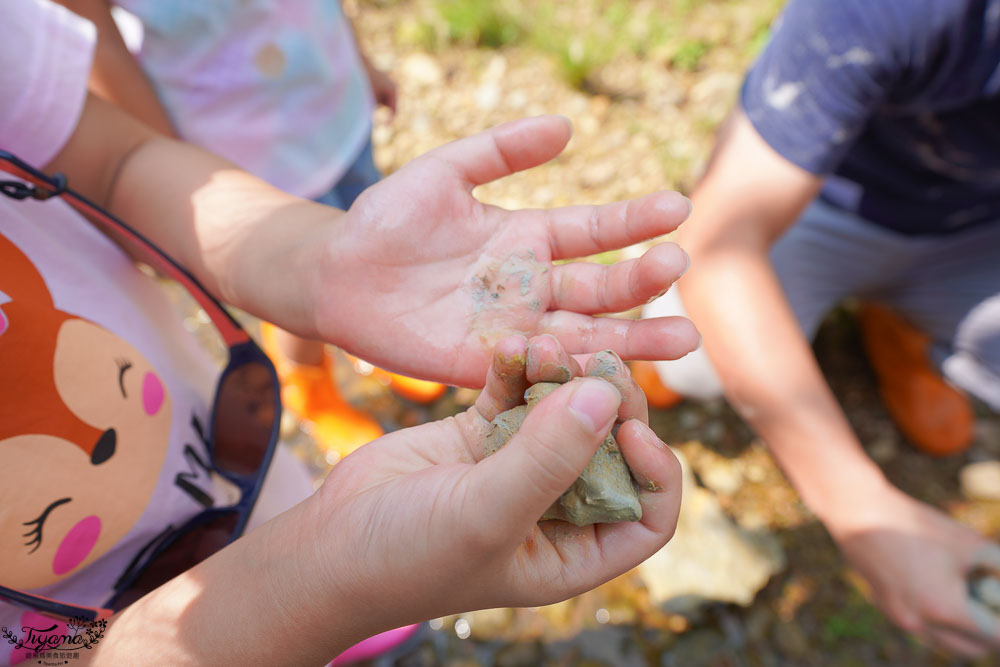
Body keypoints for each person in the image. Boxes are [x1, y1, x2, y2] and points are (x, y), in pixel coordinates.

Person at [0, 1, 698, 663]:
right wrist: (328, 584)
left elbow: (115, 162)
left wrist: (318, 265)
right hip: (57, 637)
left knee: (354, 610)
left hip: (240, 473)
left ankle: (363, 631)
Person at [641, 0, 1000, 657]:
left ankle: (895, 330)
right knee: (685, 351)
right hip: (825, 196)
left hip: (979, 232)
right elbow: (722, 245)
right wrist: (862, 508)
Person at [55, 0, 445, 460]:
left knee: (372, 222)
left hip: (334, 103)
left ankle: (376, 341)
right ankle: (307, 381)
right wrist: (171, 167)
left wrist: (361, 62)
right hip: (245, 152)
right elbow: (101, 45)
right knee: (304, 280)